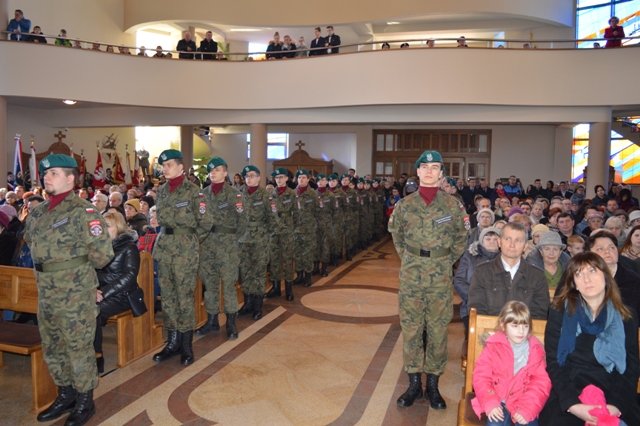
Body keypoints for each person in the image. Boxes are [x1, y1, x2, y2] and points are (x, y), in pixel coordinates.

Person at [24, 154, 114, 425]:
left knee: (78, 346)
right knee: (53, 344)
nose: (46, 178)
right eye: (45, 174)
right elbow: (32, 243)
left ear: (70, 178)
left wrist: (78, 272)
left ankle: (85, 400)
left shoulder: (83, 211)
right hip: (47, 290)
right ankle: (66, 394)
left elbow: (102, 254)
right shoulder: (38, 211)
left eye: (53, 173)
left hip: (74, 291)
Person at [388, 150, 468, 410]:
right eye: (426, 167)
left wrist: (443, 260)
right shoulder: (405, 205)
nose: (430, 171)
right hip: (411, 275)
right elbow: (396, 234)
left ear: (441, 173)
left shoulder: (453, 205)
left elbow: (461, 238)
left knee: (437, 329)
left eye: (436, 167)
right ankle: (413, 384)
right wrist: (410, 258)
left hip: (439, 276)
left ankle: (433, 386)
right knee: (411, 328)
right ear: (418, 172)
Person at [540, 252, 640, 425]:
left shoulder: (626, 316)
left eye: (592, 271)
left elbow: (630, 367)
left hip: (613, 392)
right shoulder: (559, 311)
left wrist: (615, 405)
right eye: (579, 274)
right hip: (570, 391)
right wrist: (573, 404)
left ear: (606, 277)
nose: (586, 279)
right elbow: (554, 362)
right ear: (574, 284)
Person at [152, 149, 206, 366]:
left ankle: (186, 344)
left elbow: (206, 221)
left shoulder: (194, 192)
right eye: (163, 166)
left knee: (184, 298)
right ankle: (172, 342)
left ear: (181, 167)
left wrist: (190, 241)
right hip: (164, 248)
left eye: (169, 165)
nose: (165, 169)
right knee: (168, 298)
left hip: (184, 252)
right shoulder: (162, 191)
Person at [472, 301, 551, 426]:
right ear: (503, 326)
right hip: (497, 399)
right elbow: (481, 377)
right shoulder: (493, 347)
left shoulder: (535, 350)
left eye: (525, 326)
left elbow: (541, 383)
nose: (521, 331)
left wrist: (528, 408)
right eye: (515, 325)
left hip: (524, 401)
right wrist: (490, 402)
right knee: (494, 424)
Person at [196, 157, 245, 340]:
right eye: (211, 170)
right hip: (207, 246)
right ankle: (212, 320)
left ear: (225, 172)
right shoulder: (202, 195)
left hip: (228, 247)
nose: (213, 173)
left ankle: (231, 323)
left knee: (229, 286)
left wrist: (232, 240)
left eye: (217, 170)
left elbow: (243, 222)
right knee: (210, 286)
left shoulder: (235, 194)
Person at [469, 222, 549, 319]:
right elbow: (477, 309)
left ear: (525, 246)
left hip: (524, 332)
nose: (512, 245)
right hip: (489, 332)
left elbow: (539, 313)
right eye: (508, 239)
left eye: (518, 240)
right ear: (499, 242)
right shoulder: (482, 272)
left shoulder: (537, 276)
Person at [94, 210, 142, 374]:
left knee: (93, 311)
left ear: (119, 227)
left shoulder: (129, 247)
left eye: (107, 226)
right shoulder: (99, 246)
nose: (103, 229)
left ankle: (97, 355)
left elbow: (129, 277)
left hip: (123, 295)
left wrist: (103, 292)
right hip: (100, 292)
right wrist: (93, 288)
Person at [237, 165, 275, 321]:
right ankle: (247, 303)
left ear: (259, 178)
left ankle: (258, 306)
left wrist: (266, 238)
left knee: (258, 272)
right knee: (245, 272)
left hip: (259, 240)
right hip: (243, 240)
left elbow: (272, 219)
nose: (249, 179)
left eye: (252, 176)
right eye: (247, 176)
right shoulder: (239, 195)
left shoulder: (266, 196)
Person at [454, 226, 501, 336]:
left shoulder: (505, 258)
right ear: (481, 241)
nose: (492, 242)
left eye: (495, 239)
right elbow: (459, 280)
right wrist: (475, 297)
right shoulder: (470, 256)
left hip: (499, 306)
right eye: (488, 239)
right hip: (472, 305)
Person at [267, 168, 296, 300]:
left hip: (286, 231)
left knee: (287, 259)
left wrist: (292, 229)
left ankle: (289, 289)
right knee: (274, 259)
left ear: (286, 179)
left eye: (281, 177)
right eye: (276, 177)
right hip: (273, 231)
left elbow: (297, 214)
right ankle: (276, 287)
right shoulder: (270, 194)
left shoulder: (292, 194)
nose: (278, 180)